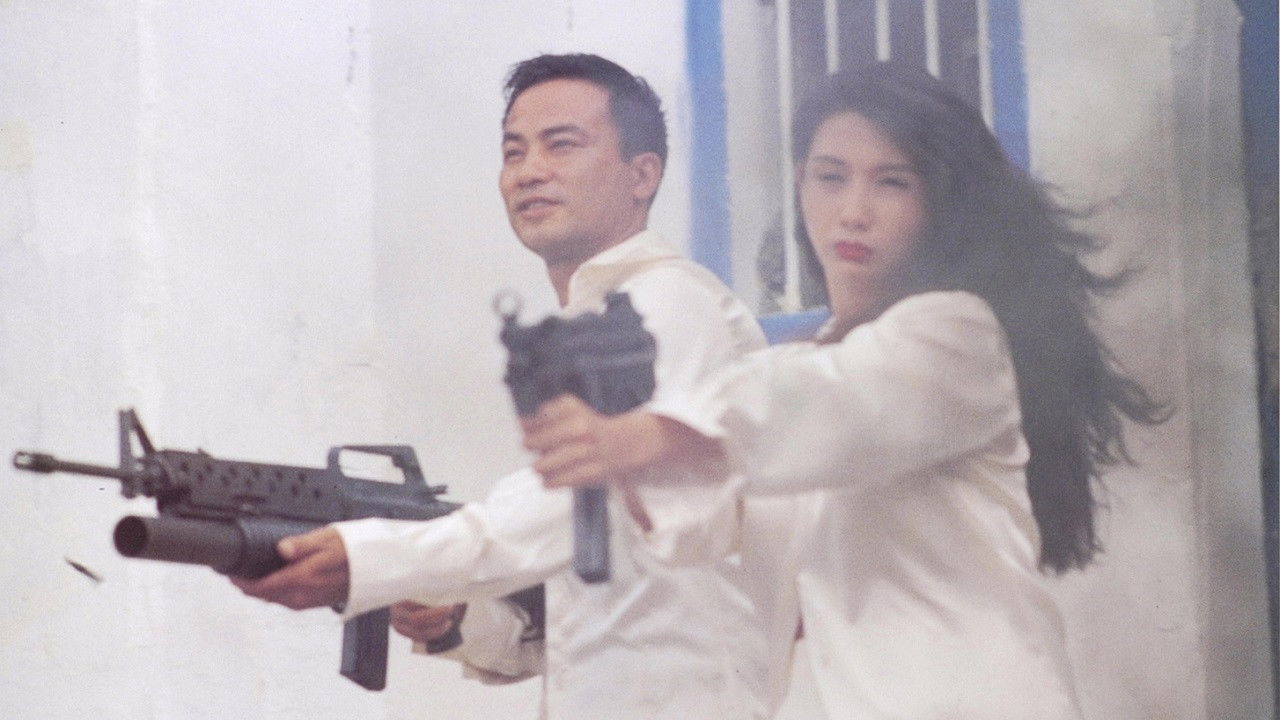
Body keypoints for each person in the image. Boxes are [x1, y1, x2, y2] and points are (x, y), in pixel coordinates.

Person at [523, 61, 1167, 718]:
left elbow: (833, 403)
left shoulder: (955, 334)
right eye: (831, 177)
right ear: (801, 182)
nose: (853, 211)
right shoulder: (813, 370)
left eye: (892, 182)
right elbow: (723, 534)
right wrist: (633, 483)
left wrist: (654, 433)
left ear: (939, 199)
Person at [230, 53, 798, 719]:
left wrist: (377, 556)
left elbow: (569, 505)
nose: (529, 171)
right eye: (514, 151)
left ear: (643, 174)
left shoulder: (670, 302)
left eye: (562, 144)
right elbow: (585, 609)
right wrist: (458, 620)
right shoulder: (583, 332)